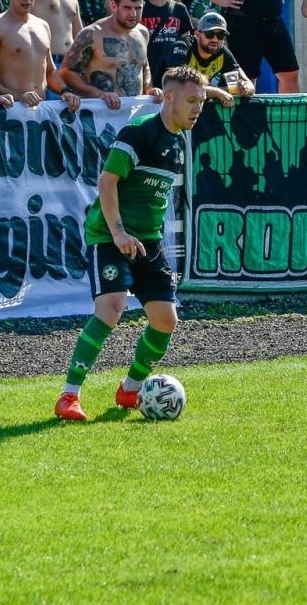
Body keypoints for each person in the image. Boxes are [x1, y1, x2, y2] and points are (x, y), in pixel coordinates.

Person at [54, 64, 208, 422]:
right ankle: (69, 396)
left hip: (148, 241)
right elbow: (107, 183)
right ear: (167, 98)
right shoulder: (140, 133)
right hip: (111, 235)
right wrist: (120, 233)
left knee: (165, 320)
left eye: (201, 101)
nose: (198, 108)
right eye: (191, 100)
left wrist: (216, 91)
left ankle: (130, 389)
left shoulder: (178, 137)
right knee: (111, 307)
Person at [0, 0, 81, 110]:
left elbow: (50, 71)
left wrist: (65, 91)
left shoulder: (43, 25)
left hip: (41, 109)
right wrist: (17, 96)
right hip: (12, 110)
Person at [60, 0, 158, 109]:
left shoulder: (143, 32)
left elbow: (143, 65)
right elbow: (66, 72)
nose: (133, 14)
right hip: (102, 113)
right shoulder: (93, 33)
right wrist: (99, 94)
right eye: (127, 8)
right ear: (114, 6)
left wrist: (149, 89)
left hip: (134, 111)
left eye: (138, 8)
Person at [171, 12, 254, 103]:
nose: (215, 39)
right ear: (197, 34)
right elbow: (183, 86)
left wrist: (243, 88)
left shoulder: (222, 52)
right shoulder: (182, 47)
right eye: (209, 34)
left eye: (220, 35)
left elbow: (250, 86)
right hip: (165, 101)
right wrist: (217, 92)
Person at [141, 0, 194, 75]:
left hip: (173, 73)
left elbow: (185, 41)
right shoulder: (140, 7)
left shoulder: (180, 9)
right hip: (147, 69)